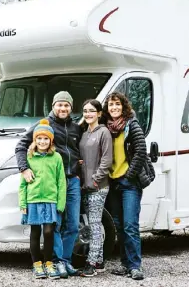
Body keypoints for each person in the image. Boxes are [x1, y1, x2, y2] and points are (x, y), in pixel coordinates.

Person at [15, 91, 82, 278]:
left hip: (72, 180)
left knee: (73, 225)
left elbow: (79, 150)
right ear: (53, 106)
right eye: (59, 104)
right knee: (55, 226)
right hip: (51, 184)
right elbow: (21, 146)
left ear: (71, 107)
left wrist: (80, 167)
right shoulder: (44, 125)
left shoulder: (76, 127)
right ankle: (55, 262)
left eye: (66, 105)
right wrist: (24, 169)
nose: (63, 108)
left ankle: (65, 261)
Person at [103, 91, 147, 281]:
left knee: (130, 225)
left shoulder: (131, 125)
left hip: (129, 183)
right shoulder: (107, 128)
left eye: (117, 104)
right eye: (111, 105)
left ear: (123, 106)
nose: (114, 108)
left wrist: (129, 176)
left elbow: (141, 152)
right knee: (119, 225)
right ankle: (125, 264)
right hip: (113, 182)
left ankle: (135, 266)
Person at [18, 119, 66, 279]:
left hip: (50, 200)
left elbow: (61, 182)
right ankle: (37, 265)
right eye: (39, 138)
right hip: (33, 201)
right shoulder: (29, 157)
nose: (42, 141)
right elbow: (23, 184)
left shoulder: (56, 157)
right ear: (35, 140)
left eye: (46, 138)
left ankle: (49, 263)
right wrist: (22, 203)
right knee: (35, 232)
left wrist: (61, 203)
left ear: (51, 140)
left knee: (49, 232)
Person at [78, 99, 113, 277]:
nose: (88, 114)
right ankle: (99, 263)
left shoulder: (104, 132)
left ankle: (91, 264)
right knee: (92, 223)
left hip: (98, 186)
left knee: (95, 224)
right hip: (84, 186)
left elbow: (107, 160)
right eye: (85, 111)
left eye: (92, 111)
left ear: (99, 113)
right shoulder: (84, 133)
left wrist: (96, 179)